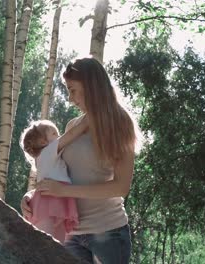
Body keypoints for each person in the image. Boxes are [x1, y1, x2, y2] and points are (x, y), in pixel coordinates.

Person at [21, 57, 138, 264]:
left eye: (72, 90)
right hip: (71, 234)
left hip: (108, 233)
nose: (70, 98)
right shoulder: (73, 126)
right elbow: (60, 174)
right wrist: (33, 197)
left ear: (91, 86)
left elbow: (121, 187)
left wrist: (63, 191)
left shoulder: (121, 123)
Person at [20, 117, 88, 244]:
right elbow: (71, 135)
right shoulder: (48, 152)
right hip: (48, 203)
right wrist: (87, 121)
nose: (59, 136)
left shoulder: (44, 157)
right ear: (42, 142)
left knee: (55, 246)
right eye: (54, 133)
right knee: (47, 244)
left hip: (54, 202)